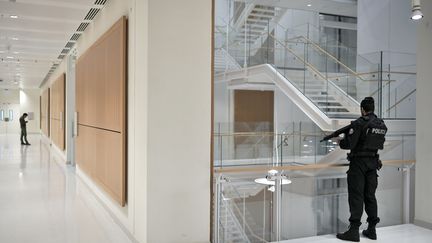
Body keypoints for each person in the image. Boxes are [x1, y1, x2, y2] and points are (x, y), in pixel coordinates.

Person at [335, 97, 387, 242]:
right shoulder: (380, 124)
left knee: (356, 196)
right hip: (373, 163)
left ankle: (353, 231)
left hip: (358, 164)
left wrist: (340, 141)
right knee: (370, 196)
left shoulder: (359, 123)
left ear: (362, 109)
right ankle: (371, 230)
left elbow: (349, 144)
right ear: (373, 108)